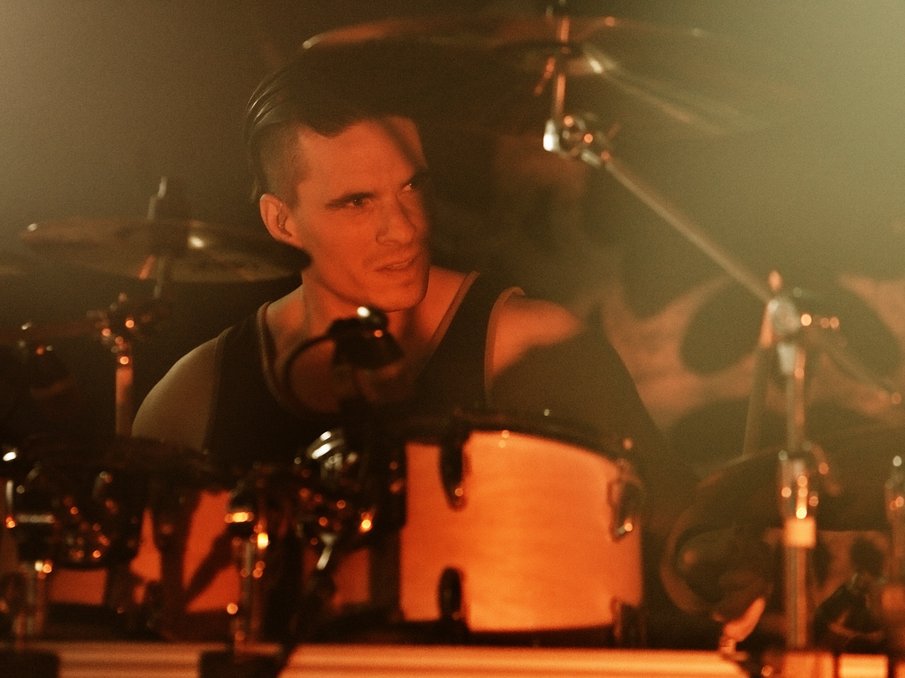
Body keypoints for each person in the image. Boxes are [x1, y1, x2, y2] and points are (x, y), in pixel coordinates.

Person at [131, 45, 697, 647]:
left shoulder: (532, 347)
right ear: (282, 222)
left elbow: (680, 532)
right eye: (357, 202)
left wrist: (722, 558)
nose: (404, 227)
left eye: (412, 186)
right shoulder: (195, 395)